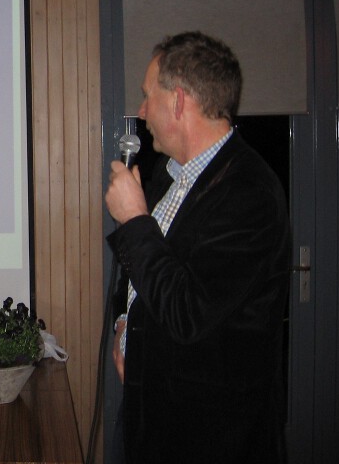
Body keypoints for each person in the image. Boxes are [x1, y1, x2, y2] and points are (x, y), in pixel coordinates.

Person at [104, 31, 291, 464]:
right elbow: (143, 274)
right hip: (149, 413)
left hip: (209, 435)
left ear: (179, 101)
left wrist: (134, 219)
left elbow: (188, 313)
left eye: (148, 95)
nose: (141, 111)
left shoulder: (249, 193)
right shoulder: (169, 175)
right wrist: (124, 324)